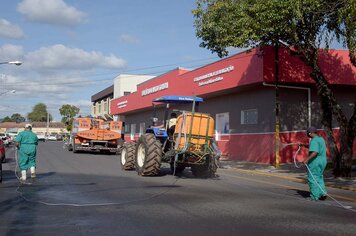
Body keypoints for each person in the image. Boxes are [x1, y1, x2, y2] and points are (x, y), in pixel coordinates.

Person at [299, 126, 328, 201]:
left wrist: (306, 160)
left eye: (307, 134)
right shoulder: (320, 139)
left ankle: (314, 196)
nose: (307, 135)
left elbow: (315, 152)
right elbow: (315, 147)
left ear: (310, 133)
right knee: (319, 177)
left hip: (316, 162)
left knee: (312, 178)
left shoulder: (314, 140)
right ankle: (322, 193)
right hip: (323, 161)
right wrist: (304, 146)